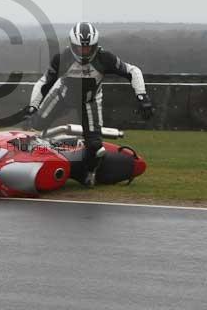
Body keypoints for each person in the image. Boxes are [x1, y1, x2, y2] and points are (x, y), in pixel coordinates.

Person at [26, 22, 154, 187]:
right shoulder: (62, 58)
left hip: (89, 102)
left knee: (95, 145)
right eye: (80, 48)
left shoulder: (105, 58)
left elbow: (132, 71)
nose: (84, 52)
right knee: (34, 125)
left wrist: (142, 97)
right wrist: (32, 107)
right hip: (62, 96)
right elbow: (44, 82)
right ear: (73, 45)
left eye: (88, 48)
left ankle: (89, 172)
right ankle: (26, 159)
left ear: (95, 45)